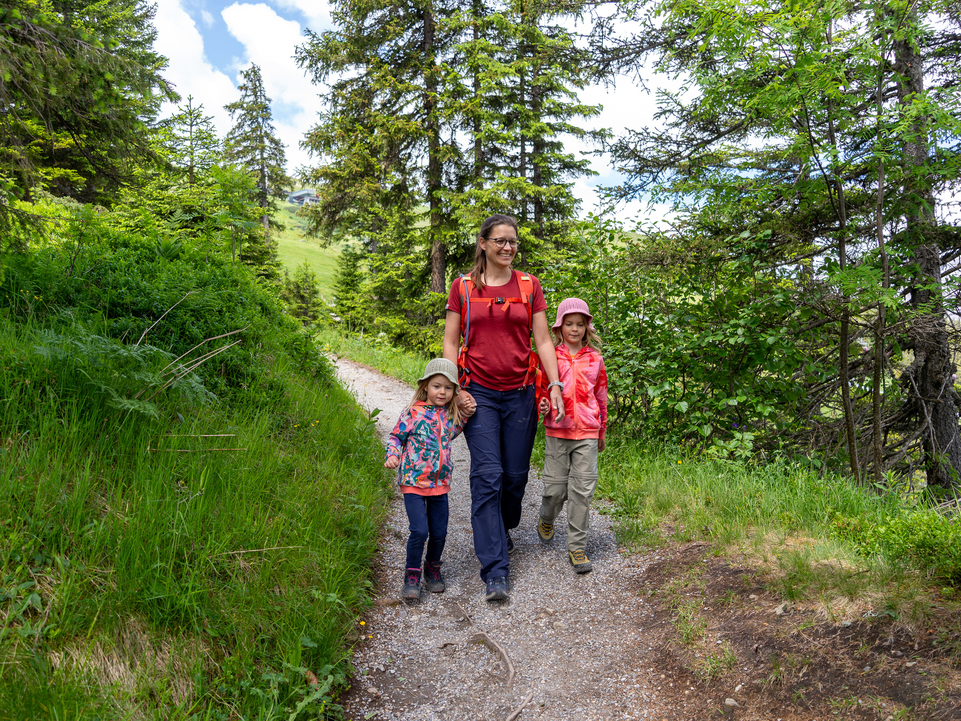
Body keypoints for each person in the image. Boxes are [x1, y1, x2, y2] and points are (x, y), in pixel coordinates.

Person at [443, 214, 566, 602]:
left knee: (514, 477)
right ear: (483, 243)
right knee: (487, 476)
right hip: (477, 393)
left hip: (521, 392)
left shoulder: (530, 286)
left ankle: (504, 525)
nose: (507, 248)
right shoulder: (462, 287)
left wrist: (557, 384)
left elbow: (544, 340)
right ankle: (495, 571)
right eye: (499, 241)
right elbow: (450, 342)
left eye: (513, 242)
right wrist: (455, 388)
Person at [536, 298, 608, 574]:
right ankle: (547, 516)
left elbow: (600, 396)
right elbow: (541, 391)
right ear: (559, 326)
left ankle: (577, 548)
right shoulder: (550, 357)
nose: (574, 329)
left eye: (580, 324)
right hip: (558, 431)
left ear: (587, 327)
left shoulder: (595, 360)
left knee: (582, 492)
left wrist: (601, 430)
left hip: (588, 433)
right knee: (555, 490)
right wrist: (542, 405)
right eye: (569, 324)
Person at [385, 358, 464, 600]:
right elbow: (396, 436)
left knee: (439, 532)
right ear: (425, 387)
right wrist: (392, 454)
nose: (442, 392)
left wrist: (467, 413)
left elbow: (455, 432)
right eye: (437, 386)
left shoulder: (450, 415)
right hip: (413, 481)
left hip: (440, 484)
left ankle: (432, 568)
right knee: (420, 530)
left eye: (448, 388)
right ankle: (412, 574)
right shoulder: (413, 412)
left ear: (454, 392)